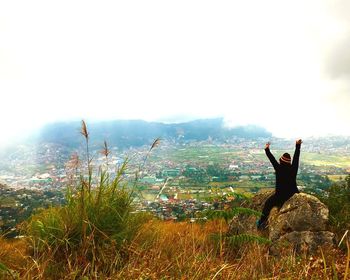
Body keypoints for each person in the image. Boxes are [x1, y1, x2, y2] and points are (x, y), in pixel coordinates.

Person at [257, 139, 302, 230]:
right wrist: (297, 146)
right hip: (292, 195)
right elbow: (296, 157)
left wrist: (267, 149)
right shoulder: (293, 169)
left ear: (281, 161)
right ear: (289, 162)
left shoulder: (278, 168)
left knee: (267, 204)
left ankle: (261, 222)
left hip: (279, 197)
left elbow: (271, 159)